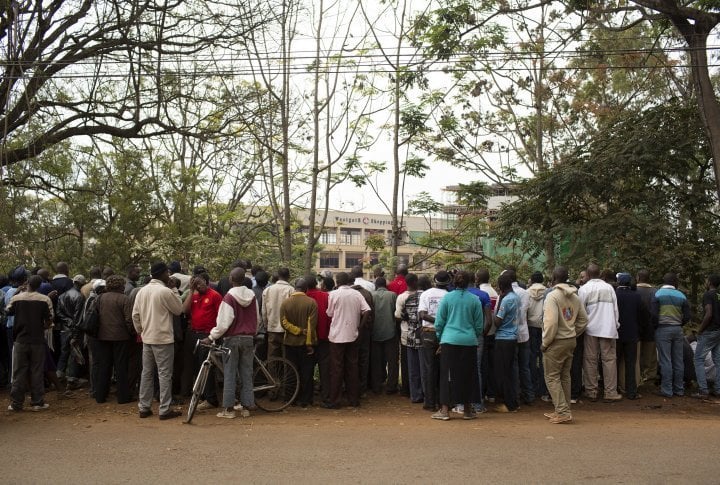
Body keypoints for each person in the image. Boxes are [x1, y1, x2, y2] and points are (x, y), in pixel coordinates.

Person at [132, 262, 184, 420]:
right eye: (167, 273)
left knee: (146, 373)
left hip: (147, 338)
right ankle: (164, 408)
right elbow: (178, 309)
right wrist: (174, 289)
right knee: (164, 374)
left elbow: (135, 315)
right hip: (163, 339)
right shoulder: (165, 291)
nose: (169, 275)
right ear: (162, 274)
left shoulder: (142, 291)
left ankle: (144, 407)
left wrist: (141, 331)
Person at [431, 271, 484, 421]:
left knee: (447, 376)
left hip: (449, 341)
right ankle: (467, 410)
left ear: (453, 282)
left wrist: (441, 339)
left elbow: (439, 322)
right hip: (469, 341)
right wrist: (472, 335)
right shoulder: (475, 300)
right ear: (469, 282)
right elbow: (479, 325)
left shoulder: (447, 298)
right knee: (468, 375)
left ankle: (445, 410)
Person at [206, 267, 258, 419]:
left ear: (231, 279)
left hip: (232, 339)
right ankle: (246, 407)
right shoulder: (252, 295)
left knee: (229, 374)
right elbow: (257, 317)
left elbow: (223, 323)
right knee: (246, 373)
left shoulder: (229, 297)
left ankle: (228, 409)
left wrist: (211, 336)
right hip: (248, 339)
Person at [541, 267, 588, 424]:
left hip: (556, 341)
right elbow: (583, 320)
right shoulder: (575, 296)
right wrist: (573, 332)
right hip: (570, 340)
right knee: (564, 376)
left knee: (551, 377)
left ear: (553, 278)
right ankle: (563, 409)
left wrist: (545, 342)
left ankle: (562, 411)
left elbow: (551, 322)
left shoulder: (552, 297)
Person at [7, 275, 54, 411]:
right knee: (37, 371)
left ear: (27, 283)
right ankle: (37, 402)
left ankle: (16, 403)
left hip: (20, 340)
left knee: (18, 372)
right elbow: (49, 320)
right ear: (39, 285)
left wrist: (17, 293)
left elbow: (7, 311)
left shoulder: (17, 298)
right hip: (37, 340)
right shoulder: (45, 299)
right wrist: (43, 327)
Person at [325, 272, 371, 408]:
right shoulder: (356, 294)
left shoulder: (333, 295)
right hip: (353, 335)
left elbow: (329, 313)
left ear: (337, 281)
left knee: (336, 369)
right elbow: (367, 311)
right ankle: (353, 399)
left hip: (337, 336)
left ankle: (335, 400)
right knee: (353, 367)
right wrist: (360, 327)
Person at [579, 263, 622, 402]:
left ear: (588, 274)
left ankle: (591, 391)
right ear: (600, 274)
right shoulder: (609, 288)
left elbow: (581, 311)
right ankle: (610, 392)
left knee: (590, 360)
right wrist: (615, 324)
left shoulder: (584, 289)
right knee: (609, 360)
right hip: (608, 328)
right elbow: (615, 309)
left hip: (590, 328)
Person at [182, 272, 223, 410]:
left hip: (207, 335)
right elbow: (185, 310)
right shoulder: (193, 295)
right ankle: (202, 395)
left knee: (206, 367)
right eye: (195, 284)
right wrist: (191, 290)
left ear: (207, 282)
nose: (198, 286)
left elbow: (221, 317)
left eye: (200, 283)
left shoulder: (215, 296)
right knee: (195, 366)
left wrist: (214, 336)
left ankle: (211, 399)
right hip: (193, 333)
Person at [93, 275, 134, 404]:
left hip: (103, 336)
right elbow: (128, 320)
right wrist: (132, 333)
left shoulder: (100, 298)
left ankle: (100, 396)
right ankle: (122, 397)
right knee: (121, 367)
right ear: (121, 285)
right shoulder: (124, 299)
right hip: (121, 337)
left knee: (104, 366)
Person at [651, 273, 691, 398]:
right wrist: (679, 323)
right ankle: (679, 389)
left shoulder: (657, 294)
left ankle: (667, 390)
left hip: (663, 329)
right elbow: (688, 316)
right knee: (678, 360)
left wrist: (656, 326)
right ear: (675, 283)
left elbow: (653, 314)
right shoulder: (682, 296)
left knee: (665, 360)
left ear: (664, 282)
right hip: (678, 329)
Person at [280, 278, 318, 407]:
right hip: (305, 344)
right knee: (306, 372)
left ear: (295, 288)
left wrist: (296, 331)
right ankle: (306, 399)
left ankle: (291, 398)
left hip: (290, 342)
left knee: (291, 371)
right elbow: (311, 326)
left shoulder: (285, 303)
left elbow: (284, 323)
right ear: (306, 289)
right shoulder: (311, 303)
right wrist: (309, 344)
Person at [418, 271, 450, 411]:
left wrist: (435, 321)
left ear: (434, 280)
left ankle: (429, 402)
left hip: (428, 334)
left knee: (429, 369)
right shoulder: (449, 296)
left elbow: (422, 315)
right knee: (444, 369)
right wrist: (441, 322)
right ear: (448, 282)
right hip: (445, 334)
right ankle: (442, 401)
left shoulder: (426, 294)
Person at [615, 272, 646, 400]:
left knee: (614, 362)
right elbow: (642, 316)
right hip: (632, 334)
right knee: (630, 363)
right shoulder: (636, 297)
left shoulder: (614, 295)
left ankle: (614, 388)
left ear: (619, 283)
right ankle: (631, 392)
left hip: (616, 333)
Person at [493, 273, 520, 413]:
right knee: (509, 371)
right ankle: (513, 401)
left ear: (501, 286)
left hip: (503, 338)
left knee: (503, 373)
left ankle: (509, 404)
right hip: (513, 337)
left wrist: (495, 309)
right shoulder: (516, 297)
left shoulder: (506, 300)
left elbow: (497, 322)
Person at [395, 273, 424, 404]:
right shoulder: (423, 295)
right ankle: (425, 392)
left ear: (406, 283)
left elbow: (397, 315)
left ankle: (410, 392)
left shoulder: (401, 297)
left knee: (409, 366)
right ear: (416, 282)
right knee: (423, 365)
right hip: (423, 334)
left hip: (407, 334)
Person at [693, 274, 720, 398]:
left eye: (706, 280)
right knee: (718, 360)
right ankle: (718, 389)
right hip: (718, 331)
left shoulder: (708, 295)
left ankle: (703, 390)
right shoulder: (719, 295)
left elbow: (708, 314)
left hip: (709, 331)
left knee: (698, 359)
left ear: (709, 282)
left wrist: (700, 330)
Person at [370, 277, 399, 394]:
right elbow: (396, 313)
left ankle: (376, 386)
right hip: (390, 332)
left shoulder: (371, 295)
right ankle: (391, 386)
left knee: (376, 361)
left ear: (376, 285)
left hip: (375, 332)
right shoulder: (393, 295)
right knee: (392, 361)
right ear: (385, 285)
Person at [306, 275, 331, 406]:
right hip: (324, 337)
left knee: (307, 368)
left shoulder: (303, 297)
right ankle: (326, 397)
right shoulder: (325, 296)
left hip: (307, 339)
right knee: (325, 369)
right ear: (316, 284)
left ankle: (307, 398)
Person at [262, 267, 294, 359]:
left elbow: (264, 311)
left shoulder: (267, 290)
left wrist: (266, 325)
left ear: (278, 276)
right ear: (288, 277)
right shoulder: (291, 290)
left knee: (272, 356)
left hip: (272, 327)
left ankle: (272, 374)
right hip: (287, 330)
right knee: (287, 357)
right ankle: (286, 373)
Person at [526, 272, 548, 401]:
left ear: (531, 280)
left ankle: (533, 388)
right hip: (544, 326)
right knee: (544, 357)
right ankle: (544, 390)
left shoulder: (527, 292)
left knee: (532, 358)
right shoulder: (547, 292)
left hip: (530, 326)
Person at [635, 269, 657, 385]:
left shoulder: (634, 290)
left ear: (638, 277)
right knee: (650, 356)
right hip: (650, 327)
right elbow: (655, 312)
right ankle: (649, 378)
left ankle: (637, 377)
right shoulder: (654, 291)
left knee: (636, 355)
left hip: (636, 327)